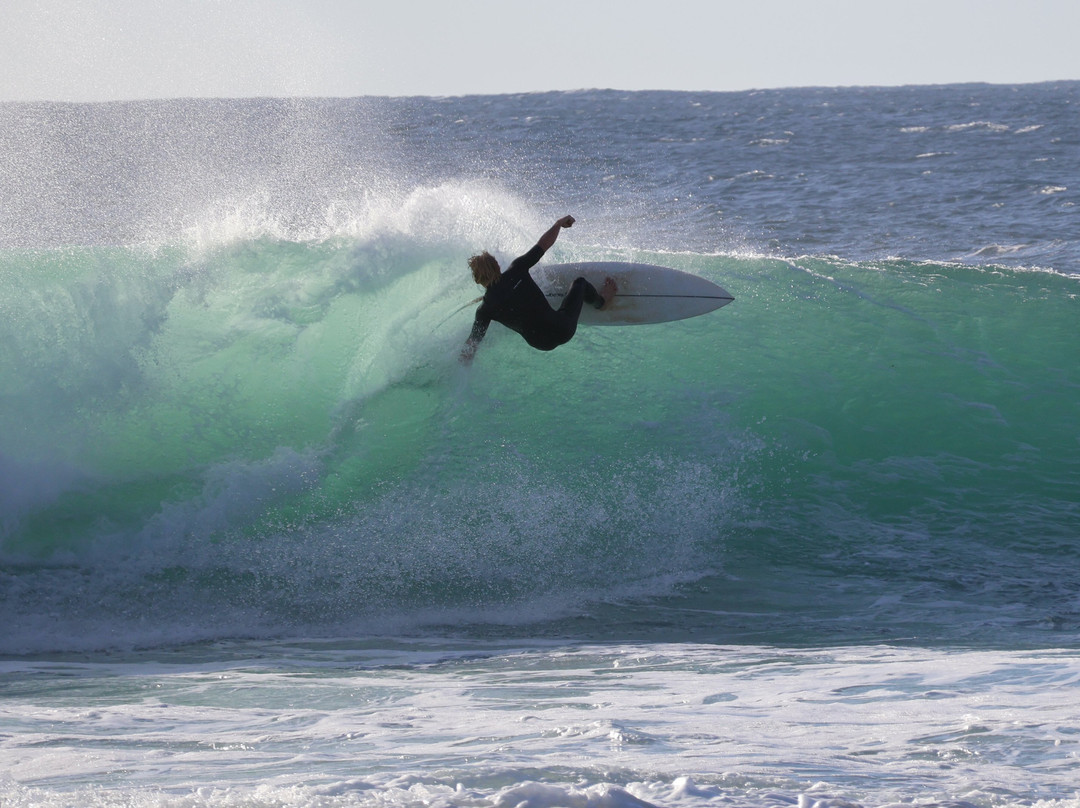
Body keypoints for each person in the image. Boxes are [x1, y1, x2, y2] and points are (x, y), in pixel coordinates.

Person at [460, 216, 615, 364]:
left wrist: (459, 367)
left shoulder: (485, 309)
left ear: (477, 280)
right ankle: (602, 303)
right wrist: (557, 224)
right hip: (562, 329)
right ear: (497, 266)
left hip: (542, 345)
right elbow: (543, 245)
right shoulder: (517, 269)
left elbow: (473, 343)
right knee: (580, 283)